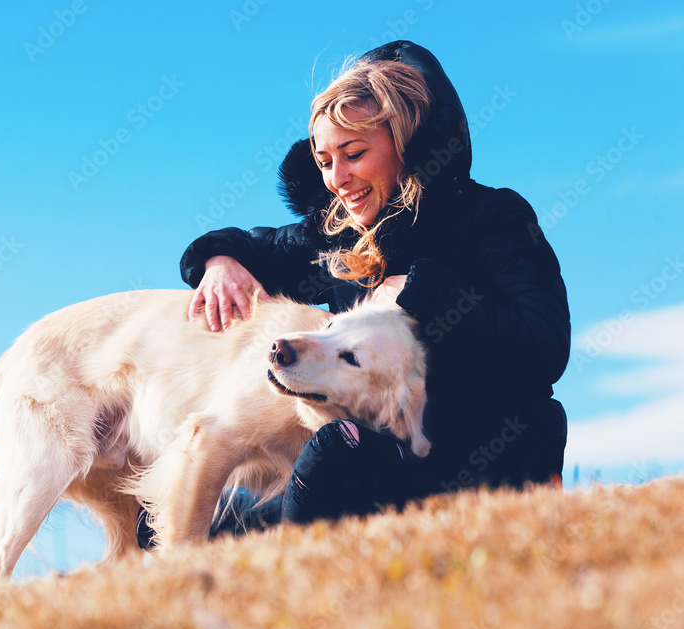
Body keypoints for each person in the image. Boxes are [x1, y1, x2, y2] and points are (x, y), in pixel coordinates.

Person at [138, 40, 570, 546]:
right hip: (384, 461)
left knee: (331, 450)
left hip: (490, 453)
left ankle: (291, 584)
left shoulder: (493, 217)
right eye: (324, 161)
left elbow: (544, 349)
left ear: (409, 145)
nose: (337, 180)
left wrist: (424, 291)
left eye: (354, 154)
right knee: (159, 527)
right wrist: (217, 261)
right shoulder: (342, 237)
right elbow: (261, 246)